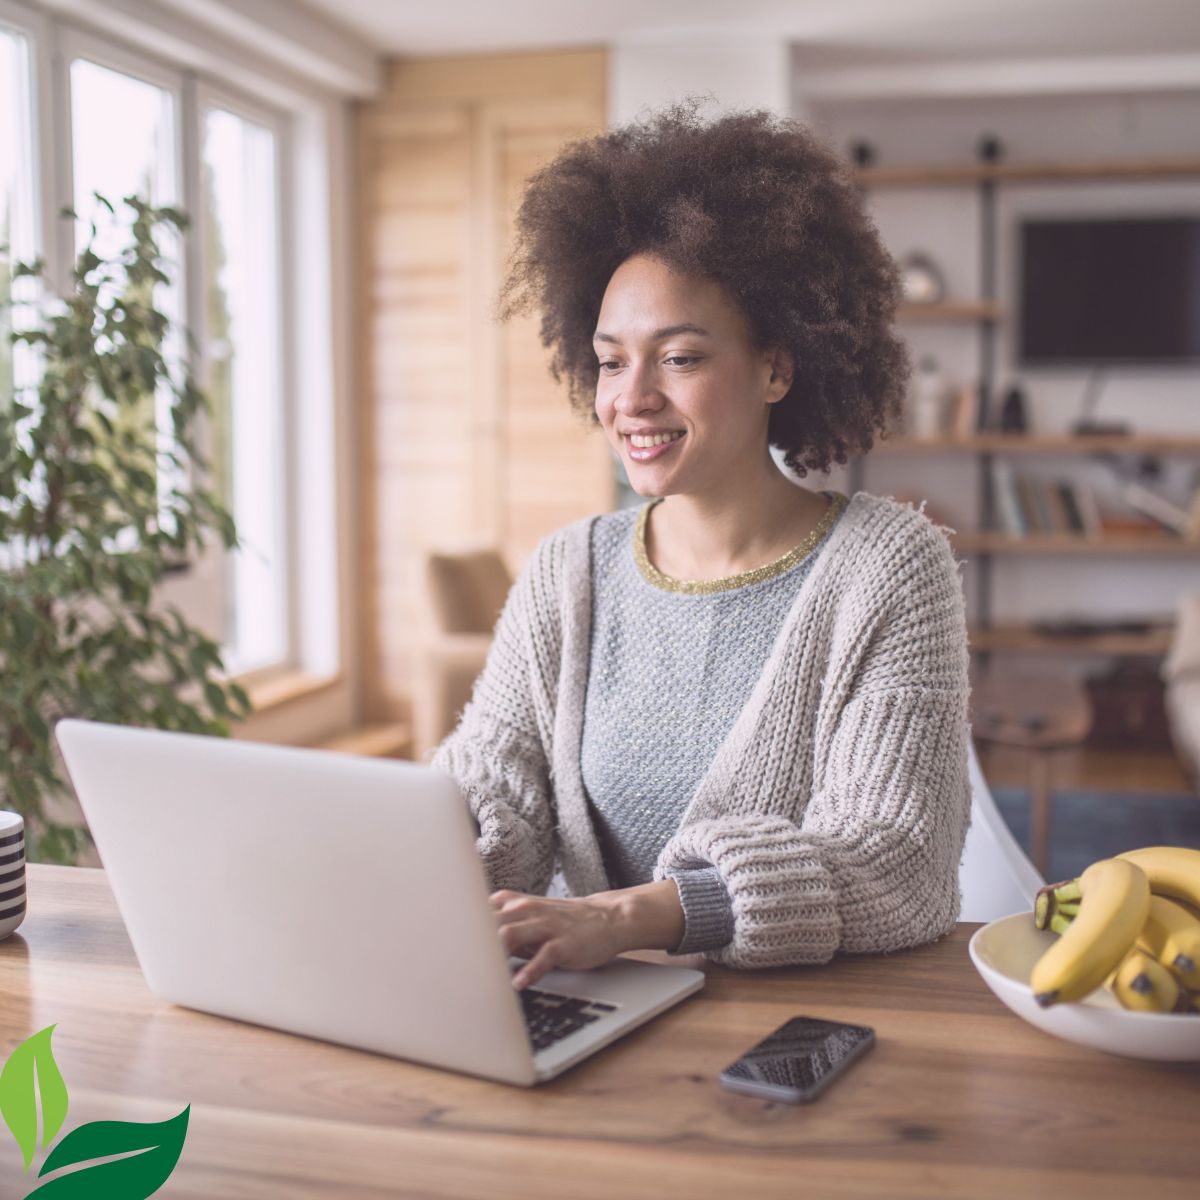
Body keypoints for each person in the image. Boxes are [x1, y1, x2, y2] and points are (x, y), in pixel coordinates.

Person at [430, 99, 971, 991]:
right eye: (610, 360)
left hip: (792, 1032)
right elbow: (494, 783)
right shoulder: (568, 570)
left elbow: (896, 863)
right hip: (588, 1009)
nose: (630, 399)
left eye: (678, 358)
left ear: (776, 368)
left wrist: (632, 916)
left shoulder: (889, 568)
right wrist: (430, 853)